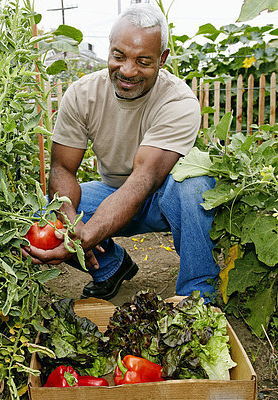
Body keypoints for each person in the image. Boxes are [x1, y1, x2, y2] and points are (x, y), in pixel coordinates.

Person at [23, 3, 218, 301]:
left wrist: (86, 237)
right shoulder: (82, 93)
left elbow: (145, 179)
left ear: (162, 59)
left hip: (163, 198)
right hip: (111, 192)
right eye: (118, 56)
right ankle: (112, 267)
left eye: (143, 61)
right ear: (109, 49)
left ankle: (197, 297)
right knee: (43, 215)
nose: (127, 70)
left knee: (195, 188)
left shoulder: (178, 102)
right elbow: (62, 170)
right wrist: (71, 226)